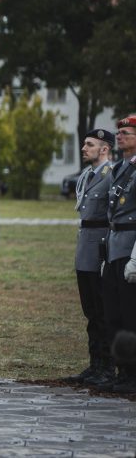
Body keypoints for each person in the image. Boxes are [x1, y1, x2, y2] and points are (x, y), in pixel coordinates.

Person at [64, 129, 115, 387]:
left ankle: (107, 367)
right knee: (90, 311)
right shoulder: (87, 175)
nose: (84, 148)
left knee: (102, 311)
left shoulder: (112, 175)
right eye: (85, 144)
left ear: (104, 149)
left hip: (101, 247)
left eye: (90, 144)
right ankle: (94, 365)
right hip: (85, 246)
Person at [103, 114, 136, 394]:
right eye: (120, 133)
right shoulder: (118, 167)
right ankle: (121, 370)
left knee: (130, 315)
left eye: (126, 133)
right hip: (114, 245)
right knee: (113, 313)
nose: (120, 136)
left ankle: (132, 374)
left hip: (130, 246)